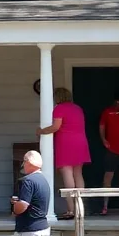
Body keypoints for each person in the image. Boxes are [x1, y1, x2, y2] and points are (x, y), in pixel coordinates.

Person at [38, 87, 90, 220]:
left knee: (67, 173)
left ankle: (71, 209)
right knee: (78, 173)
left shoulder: (59, 108)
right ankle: (80, 208)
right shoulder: (78, 108)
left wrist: (41, 131)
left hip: (66, 142)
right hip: (81, 141)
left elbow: (56, 127)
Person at [11, 150, 51, 236]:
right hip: (43, 229)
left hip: (28, 230)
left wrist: (15, 206)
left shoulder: (28, 181)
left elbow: (22, 206)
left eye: (24, 161)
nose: (23, 165)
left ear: (28, 162)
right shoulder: (44, 180)